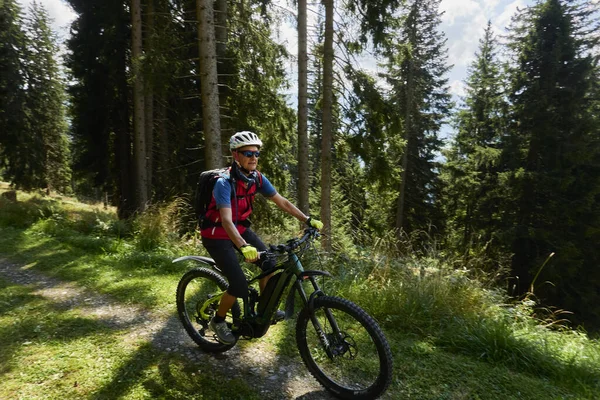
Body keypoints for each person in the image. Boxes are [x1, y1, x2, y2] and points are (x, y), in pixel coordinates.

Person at [201, 131, 323, 345]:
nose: (253, 158)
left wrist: (307, 219)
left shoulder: (256, 178)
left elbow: (282, 202)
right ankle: (218, 320)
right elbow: (226, 221)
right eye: (248, 153)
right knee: (238, 285)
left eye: (257, 153)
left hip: (240, 229)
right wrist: (244, 246)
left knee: (270, 263)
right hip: (217, 235)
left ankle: (263, 310)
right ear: (235, 155)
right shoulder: (224, 183)